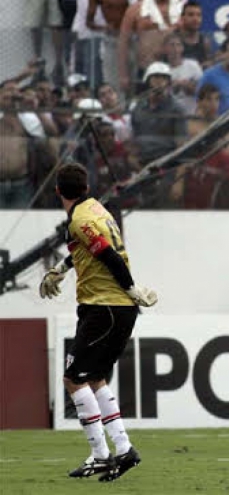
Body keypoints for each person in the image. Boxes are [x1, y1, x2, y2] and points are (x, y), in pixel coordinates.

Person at [38, 163, 157, 481]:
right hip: (116, 309)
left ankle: (101, 455)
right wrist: (60, 270)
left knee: (73, 378)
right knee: (95, 378)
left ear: (57, 192)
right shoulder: (94, 209)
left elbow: (108, 256)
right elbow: (84, 249)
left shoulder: (80, 218)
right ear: (87, 187)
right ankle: (123, 449)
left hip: (104, 307)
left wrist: (133, 288)